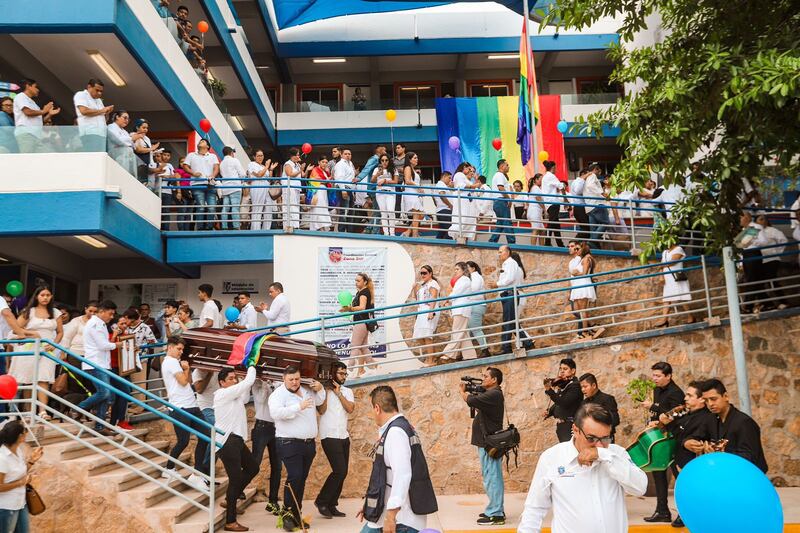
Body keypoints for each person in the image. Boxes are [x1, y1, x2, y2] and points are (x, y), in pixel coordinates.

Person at [518, 403, 648, 533]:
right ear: (575, 430)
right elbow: (535, 508)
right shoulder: (552, 458)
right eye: (591, 438)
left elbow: (640, 488)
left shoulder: (616, 455)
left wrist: (604, 456)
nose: (600, 445)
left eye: (606, 438)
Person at [359, 385, 437, 533]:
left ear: (377, 408)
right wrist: (370, 504)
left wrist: (391, 516)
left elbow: (402, 474)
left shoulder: (395, 432)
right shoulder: (402, 427)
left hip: (401, 520)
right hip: (389, 515)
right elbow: (385, 474)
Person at [268, 366, 326, 532]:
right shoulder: (278, 395)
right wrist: (298, 407)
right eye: (291, 379)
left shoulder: (307, 390)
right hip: (288, 442)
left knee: (301, 479)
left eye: (297, 379)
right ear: (284, 378)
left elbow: (320, 402)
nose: (295, 382)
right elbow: (276, 413)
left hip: (308, 443)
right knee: (295, 477)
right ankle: (286, 516)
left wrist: (321, 390)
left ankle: (295, 514)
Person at [659, 380, 716, 528]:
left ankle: (685, 515)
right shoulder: (689, 414)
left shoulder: (706, 418)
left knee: (692, 494)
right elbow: (679, 433)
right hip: (681, 463)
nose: (685, 398)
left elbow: (686, 437)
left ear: (702, 399)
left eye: (690, 395)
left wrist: (670, 425)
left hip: (691, 466)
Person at [160, 336, 210, 490]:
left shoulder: (175, 362)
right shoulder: (170, 361)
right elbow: (183, 381)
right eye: (178, 349)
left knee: (206, 436)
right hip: (180, 407)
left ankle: (198, 471)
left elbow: (186, 382)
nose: (181, 352)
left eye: (182, 349)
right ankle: (169, 468)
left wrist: (186, 370)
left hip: (191, 405)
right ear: (170, 347)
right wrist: (187, 368)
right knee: (183, 441)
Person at [214, 366, 259, 532]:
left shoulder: (235, 395)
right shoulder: (221, 394)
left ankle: (230, 499)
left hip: (236, 440)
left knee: (253, 467)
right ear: (222, 382)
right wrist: (251, 366)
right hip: (227, 441)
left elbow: (245, 394)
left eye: (235, 378)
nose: (235, 380)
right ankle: (230, 521)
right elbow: (247, 383)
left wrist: (244, 380)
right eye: (231, 378)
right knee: (235, 478)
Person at [460, 367, 505, 526]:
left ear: (494, 380)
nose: (483, 379)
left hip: (488, 443)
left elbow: (470, 400)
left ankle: (496, 514)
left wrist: (463, 391)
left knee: (492, 478)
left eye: (486, 376)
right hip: (486, 442)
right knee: (491, 476)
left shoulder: (494, 394)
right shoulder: (491, 394)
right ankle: (495, 508)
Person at [11, 285, 63, 421]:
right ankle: (28, 411)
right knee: (28, 378)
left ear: (51, 297)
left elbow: (60, 332)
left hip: (47, 348)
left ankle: (42, 411)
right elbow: (16, 328)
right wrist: (33, 333)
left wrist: (54, 344)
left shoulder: (56, 312)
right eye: (42, 295)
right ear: (37, 296)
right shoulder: (29, 311)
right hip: (29, 347)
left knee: (44, 378)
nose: (45, 297)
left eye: (48, 295)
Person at [644, 361, 685, 523]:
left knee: (679, 477)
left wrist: (653, 406)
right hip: (660, 438)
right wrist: (653, 422)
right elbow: (659, 414)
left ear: (668, 376)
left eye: (658, 376)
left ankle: (684, 512)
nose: (654, 378)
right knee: (658, 473)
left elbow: (677, 415)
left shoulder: (676, 392)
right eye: (653, 375)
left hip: (674, 439)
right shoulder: (656, 389)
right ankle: (662, 511)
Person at [74, 300, 121, 436]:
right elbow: (102, 345)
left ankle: (100, 425)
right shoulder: (95, 324)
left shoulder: (100, 324)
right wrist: (118, 345)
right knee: (105, 393)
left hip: (102, 363)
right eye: (110, 314)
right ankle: (79, 408)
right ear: (102, 311)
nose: (112, 317)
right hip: (95, 363)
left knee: (108, 396)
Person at [314, 362, 355, 519]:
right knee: (339, 470)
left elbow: (350, 409)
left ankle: (332, 504)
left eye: (345, 374)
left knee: (342, 472)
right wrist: (325, 392)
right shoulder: (324, 391)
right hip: (329, 435)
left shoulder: (347, 391)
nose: (344, 377)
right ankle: (321, 501)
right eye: (340, 374)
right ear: (333, 374)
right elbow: (321, 410)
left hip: (343, 436)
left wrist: (338, 393)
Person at [701, 378, 767, 472]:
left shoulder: (744, 422)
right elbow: (698, 435)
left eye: (713, 399)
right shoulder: (711, 419)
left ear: (726, 396)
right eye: (706, 401)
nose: (710, 404)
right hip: (726, 474)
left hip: (749, 477)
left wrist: (721, 453)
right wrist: (689, 442)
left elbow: (750, 456)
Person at [0, 420, 44, 532]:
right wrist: (21, 483)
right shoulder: (2, 457)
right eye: (25, 430)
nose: (27, 432)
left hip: (21, 502)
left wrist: (32, 461)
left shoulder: (18, 450)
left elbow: (19, 472)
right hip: (7, 507)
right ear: (20, 436)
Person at [251, 378, 282, 515]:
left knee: (277, 466)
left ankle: (273, 502)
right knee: (254, 464)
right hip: (261, 427)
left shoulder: (278, 383)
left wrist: (275, 384)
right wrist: (266, 383)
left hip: (276, 428)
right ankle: (237, 492)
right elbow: (261, 399)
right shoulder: (257, 383)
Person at [496, 246, 534, 354]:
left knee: (509, 321)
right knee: (511, 321)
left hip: (511, 294)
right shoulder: (508, 264)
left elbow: (510, 279)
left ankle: (507, 347)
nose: (499, 254)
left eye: (501, 252)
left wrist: (496, 284)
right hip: (509, 294)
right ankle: (527, 342)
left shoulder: (511, 263)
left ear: (507, 252)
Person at [439, 262, 478, 363]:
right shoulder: (463, 280)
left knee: (457, 331)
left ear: (463, 270)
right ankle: (470, 355)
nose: (455, 271)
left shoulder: (464, 279)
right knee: (463, 332)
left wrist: (446, 300)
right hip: (460, 309)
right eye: (455, 269)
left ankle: (448, 353)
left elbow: (456, 293)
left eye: (457, 269)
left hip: (461, 309)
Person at [567, 241, 604, 341]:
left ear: (583, 249)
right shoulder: (583, 259)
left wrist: (575, 273)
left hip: (582, 285)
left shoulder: (587, 258)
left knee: (582, 311)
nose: (576, 250)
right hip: (578, 285)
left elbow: (584, 273)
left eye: (577, 248)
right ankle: (593, 327)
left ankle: (585, 332)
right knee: (577, 310)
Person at [339, 273, 375, 377]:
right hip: (362, 322)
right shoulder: (361, 292)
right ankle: (373, 366)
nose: (356, 282)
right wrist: (347, 309)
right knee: (363, 347)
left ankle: (349, 369)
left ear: (365, 282)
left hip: (361, 322)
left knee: (355, 346)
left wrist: (350, 309)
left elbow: (362, 307)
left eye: (358, 280)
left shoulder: (364, 292)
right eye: (355, 280)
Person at [654, 243, 695, 327]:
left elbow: (673, 262)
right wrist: (661, 276)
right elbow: (661, 265)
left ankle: (691, 317)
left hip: (676, 277)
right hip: (668, 279)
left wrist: (661, 266)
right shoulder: (665, 252)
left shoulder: (679, 249)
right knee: (666, 299)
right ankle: (664, 320)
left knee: (681, 297)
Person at [13, 79, 60, 153]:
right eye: (36, 87)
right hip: (26, 134)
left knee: (48, 156)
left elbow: (40, 121)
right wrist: (43, 111)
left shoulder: (33, 102)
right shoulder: (20, 96)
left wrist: (49, 114)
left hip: (37, 136)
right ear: (28, 86)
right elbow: (27, 112)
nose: (38, 90)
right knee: (27, 159)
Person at [182, 139, 220, 231]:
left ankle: (209, 227)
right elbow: (185, 166)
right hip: (197, 184)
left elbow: (216, 168)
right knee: (201, 207)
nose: (200, 142)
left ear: (207, 146)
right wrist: (193, 173)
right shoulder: (191, 155)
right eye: (200, 141)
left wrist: (213, 176)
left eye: (202, 141)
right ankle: (200, 228)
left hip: (210, 184)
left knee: (212, 208)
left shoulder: (212, 156)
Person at [755, 213, 789, 309]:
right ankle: (768, 304)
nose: (763, 221)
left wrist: (777, 252)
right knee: (760, 282)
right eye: (760, 219)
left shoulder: (772, 230)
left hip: (772, 259)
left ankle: (783, 302)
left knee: (772, 280)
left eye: (764, 219)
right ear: (755, 222)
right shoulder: (754, 232)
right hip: (759, 260)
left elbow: (783, 240)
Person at [543, 358, 582, 442]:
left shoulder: (575, 386)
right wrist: (549, 412)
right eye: (560, 369)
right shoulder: (564, 385)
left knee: (571, 452)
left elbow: (564, 402)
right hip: (562, 426)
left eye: (565, 369)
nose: (562, 371)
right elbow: (558, 403)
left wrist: (550, 390)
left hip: (571, 425)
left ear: (573, 371)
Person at [409, 266, 440, 366]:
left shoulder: (433, 284)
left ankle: (430, 360)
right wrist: (414, 288)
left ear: (430, 273)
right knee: (419, 336)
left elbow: (434, 297)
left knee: (427, 336)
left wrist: (431, 312)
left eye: (425, 273)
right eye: (421, 273)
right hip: (421, 311)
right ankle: (431, 357)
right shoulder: (422, 285)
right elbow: (415, 298)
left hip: (429, 310)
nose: (422, 275)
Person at [73, 78, 113, 152]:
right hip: (89, 133)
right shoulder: (81, 94)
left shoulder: (99, 100)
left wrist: (107, 113)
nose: (99, 93)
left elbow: (104, 119)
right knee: (93, 157)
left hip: (101, 134)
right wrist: (102, 111)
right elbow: (84, 111)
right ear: (89, 87)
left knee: (101, 159)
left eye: (101, 91)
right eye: (97, 90)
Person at [578, 373, 619, 441]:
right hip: (589, 440)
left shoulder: (607, 399)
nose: (582, 390)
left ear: (594, 385)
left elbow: (615, 420)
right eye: (581, 387)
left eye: (585, 387)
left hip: (605, 439)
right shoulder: (583, 403)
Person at [248, 150, 278, 230]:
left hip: (266, 187)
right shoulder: (252, 164)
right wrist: (267, 166)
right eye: (258, 156)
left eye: (262, 155)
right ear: (254, 157)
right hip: (257, 187)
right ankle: (255, 230)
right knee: (257, 209)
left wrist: (271, 169)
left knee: (268, 209)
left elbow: (269, 179)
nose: (261, 157)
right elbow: (259, 175)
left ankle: (266, 229)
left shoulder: (264, 166)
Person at [449, 163, 480, 241]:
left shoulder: (466, 178)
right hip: (462, 202)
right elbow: (461, 185)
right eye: (469, 169)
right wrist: (474, 186)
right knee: (462, 220)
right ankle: (459, 236)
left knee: (468, 222)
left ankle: (465, 238)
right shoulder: (459, 174)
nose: (470, 172)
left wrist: (475, 183)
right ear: (464, 167)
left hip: (469, 204)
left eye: (472, 171)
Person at [218, 146, 246, 230]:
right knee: (235, 207)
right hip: (235, 187)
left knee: (225, 208)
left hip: (225, 188)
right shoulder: (235, 160)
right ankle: (236, 226)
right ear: (231, 153)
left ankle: (224, 226)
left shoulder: (221, 163)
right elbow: (242, 174)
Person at [488, 160, 515, 244]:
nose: (508, 167)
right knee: (507, 222)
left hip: (498, 201)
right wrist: (508, 199)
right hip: (501, 201)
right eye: (507, 165)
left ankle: (492, 241)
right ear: (502, 166)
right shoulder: (500, 175)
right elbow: (501, 188)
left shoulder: (498, 175)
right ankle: (512, 242)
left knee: (500, 223)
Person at [466, 261, 489, 358]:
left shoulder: (475, 276)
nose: (466, 270)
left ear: (473, 268)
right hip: (475, 305)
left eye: (467, 268)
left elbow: (474, 288)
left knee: (476, 329)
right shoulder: (473, 277)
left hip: (476, 305)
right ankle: (467, 353)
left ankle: (485, 349)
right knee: (469, 330)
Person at [584, 165, 611, 247]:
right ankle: (591, 241)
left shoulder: (588, 178)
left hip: (589, 207)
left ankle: (594, 248)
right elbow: (591, 186)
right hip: (597, 204)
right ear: (595, 169)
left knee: (593, 230)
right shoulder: (592, 175)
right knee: (606, 223)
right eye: (599, 171)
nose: (600, 173)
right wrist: (602, 193)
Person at [540, 161, 565, 247]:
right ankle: (548, 242)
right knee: (552, 223)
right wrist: (565, 199)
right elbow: (561, 186)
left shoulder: (545, 177)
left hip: (549, 202)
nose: (556, 170)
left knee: (555, 224)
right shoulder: (551, 176)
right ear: (553, 168)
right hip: (553, 202)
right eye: (555, 168)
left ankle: (559, 243)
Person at [106, 110, 138, 176]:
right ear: (117, 117)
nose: (126, 120)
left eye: (128, 119)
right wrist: (131, 138)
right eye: (125, 118)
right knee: (120, 176)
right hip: (116, 156)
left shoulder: (125, 131)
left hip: (127, 157)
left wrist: (131, 140)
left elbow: (132, 145)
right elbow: (118, 140)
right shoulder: (111, 126)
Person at [374, 154, 400, 236]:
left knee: (391, 211)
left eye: (386, 160)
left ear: (389, 161)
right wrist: (377, 174)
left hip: (390, 192)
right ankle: (386, 233)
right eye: (382, 160)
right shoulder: (376, 169)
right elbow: (372, 181)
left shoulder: (393, 169)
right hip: (380, 193)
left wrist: (385, 180)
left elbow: (395, 182)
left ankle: (392, 233)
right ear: (380, 161)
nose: (384, 162)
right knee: (383, 213)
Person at [333, 148, 357, 232]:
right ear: (341, 155)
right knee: (344, 211)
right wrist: (343, 190)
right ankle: (342, 231)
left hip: (350, 189)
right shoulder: (340, 164)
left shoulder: (350, 163)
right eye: (346, 154)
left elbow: (352, 178)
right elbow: (339, 178)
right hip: (343, 187)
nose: (348, 155)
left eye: (349, 154)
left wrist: (353, 193)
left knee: (351, 212)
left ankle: (349, 231)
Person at [400, 153, 424, 238]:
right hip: (410, 194)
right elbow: (407, 181)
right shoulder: (407, 167)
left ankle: (408, 232)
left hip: (414, 194)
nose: (417, 159)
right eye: (415, 158)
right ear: (409, 160)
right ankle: (414, 235)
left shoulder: (412, 169)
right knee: (417, 215)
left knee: (420, 215)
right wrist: (418, 187)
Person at [132, 118, 161, 187]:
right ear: (137, 127)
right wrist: (152, 148)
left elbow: (147, 150)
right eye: (143, 127)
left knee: (148, 187)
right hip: (138, 166)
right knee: (140, 186)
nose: (145, 129)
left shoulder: (147, 138)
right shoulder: (134, 135)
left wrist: (153, 151)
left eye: (147, 128)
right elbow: (138, 149)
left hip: (147, 165)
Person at [570, 168, 590, 240]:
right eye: (588, 175)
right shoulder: (578, 181)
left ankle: (579, 245)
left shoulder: (577, 181)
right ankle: (574, 243)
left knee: (586, 228)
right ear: (583, 174)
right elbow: (578, 191)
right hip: (580, 207)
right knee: (586, 228)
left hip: (579, 207)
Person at [433, 172, 453, 239]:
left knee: (443, 231)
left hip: (442, 210)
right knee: (451, 231)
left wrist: (438, 205)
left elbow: (433, 197)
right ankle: (447, 245)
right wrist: (450, 205)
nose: (450, 180)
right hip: (445, 211)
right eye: (449, 178)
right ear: (444, 176)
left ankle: (436, 245)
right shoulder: (441, 184)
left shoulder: (440, 185)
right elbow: (442, 195)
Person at [526, 173, 545, 246]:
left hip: (536, 212)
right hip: (534, 211)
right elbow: (538, 199)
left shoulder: (535, 188)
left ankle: (541, 247)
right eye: (540, 180)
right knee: (536, 230)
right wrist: (545, 209)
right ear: (536, 180)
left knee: (542, 231)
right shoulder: (535, 188)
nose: (542, 181)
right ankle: (533, 248)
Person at [392, 144, 407, 218]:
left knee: (406, 200)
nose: (397, 149)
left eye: (398, 148)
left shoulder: (407, 158)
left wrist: (403, 170)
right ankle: (397, 217)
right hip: (396, 181)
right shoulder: (393, 159)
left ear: (403, 149)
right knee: (397, 200)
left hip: (405, 181)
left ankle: (407, 217)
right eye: (396, 148)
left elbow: (410, 169)